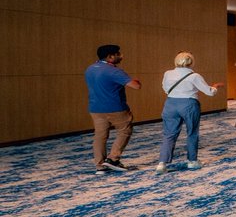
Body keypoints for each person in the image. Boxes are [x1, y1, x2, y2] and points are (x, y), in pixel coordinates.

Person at [155, 51, 223, 174]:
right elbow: (209, 92)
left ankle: (162, 163)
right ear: (191, 62)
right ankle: (192, 161)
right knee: (192, 132)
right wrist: (215, 87)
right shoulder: (194, 76)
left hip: (170, 104)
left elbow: (165, 88)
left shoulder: (168, 73)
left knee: (169, 134)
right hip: (189, 104)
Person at [85, 44, 142, 173]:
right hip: (116, 108)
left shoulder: (90, 69)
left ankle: (100, 165)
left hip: (95, 108)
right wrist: (137, 81)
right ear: (110, 57)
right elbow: (135, 86)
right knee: (124, 131)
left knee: (100, 136)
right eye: (118, 54)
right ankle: (113, 159)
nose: (121, 56)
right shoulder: (114, 71)